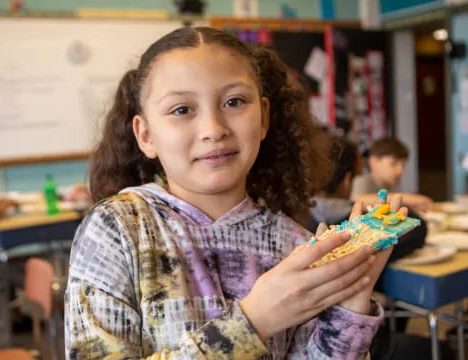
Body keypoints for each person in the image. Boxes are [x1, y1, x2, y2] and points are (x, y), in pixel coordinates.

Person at [65, 26, 402, 359]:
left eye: (234, 102)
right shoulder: (118, 230)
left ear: (264, 117)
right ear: (146, 135)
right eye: (182, 109)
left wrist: (350, 306)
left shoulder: (296, 246)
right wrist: (253, 321)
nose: (213, 129)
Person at [307, 136, 454, 360]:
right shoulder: (347, 219)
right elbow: (415, 226)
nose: (400, 170)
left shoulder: (303, 228)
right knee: (442, 350)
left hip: (346, 337)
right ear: (347, 181)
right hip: (362, 340)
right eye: (394, 163)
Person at [351, 137, 433, 212]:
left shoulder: (391, 184)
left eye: (403, 165)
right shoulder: (361, 181)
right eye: (393, 164)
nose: (400, 170)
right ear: (374, 161)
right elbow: (355, 201)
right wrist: (406, 198)